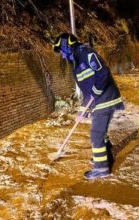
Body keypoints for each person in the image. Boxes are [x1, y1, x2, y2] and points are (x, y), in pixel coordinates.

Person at [53, 33, 124, 179]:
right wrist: (82, 111)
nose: (61, 55)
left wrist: (95, 92)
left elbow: (103, 72)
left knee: (96, 133)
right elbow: (86, 90)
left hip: (105, 97)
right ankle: (106, 157)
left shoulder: (86, 53)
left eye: (61, 50)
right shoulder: (76, 61)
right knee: (100, 131)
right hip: (99, 98)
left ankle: (101, 168)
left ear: (67, 47)